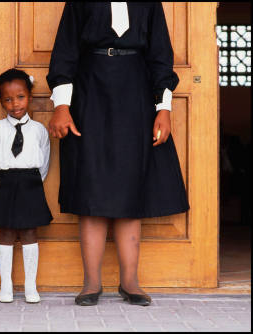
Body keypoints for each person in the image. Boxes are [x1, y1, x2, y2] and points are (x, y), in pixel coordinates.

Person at [47, 2, 189, 306]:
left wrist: (163, 109)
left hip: (135, 94)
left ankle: (130, 281)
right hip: (89, 95)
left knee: (130, 189)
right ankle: (91, 283)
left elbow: (161, 56)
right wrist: (61, 106)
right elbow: (65, 51)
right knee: (92, 187)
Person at [0, 69, 53, 303]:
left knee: (30, 231)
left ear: (30, 96)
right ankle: (6, 286)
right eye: (8, 99)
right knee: (6, 232)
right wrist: (6, 180)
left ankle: (30, 286)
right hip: (5, 183)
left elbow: (44, 162)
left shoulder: (39, 131)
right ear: (1, 101)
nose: (15, 104)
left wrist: (30, 181)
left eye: (20, 97)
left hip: (31, 183)